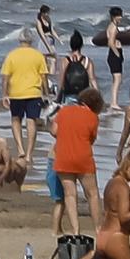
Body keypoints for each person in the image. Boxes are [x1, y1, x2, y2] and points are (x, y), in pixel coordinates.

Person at [52, 88, 105, 234]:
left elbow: (54, 131)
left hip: (63, 156)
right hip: (83, 157)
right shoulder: (93, 117)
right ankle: (98, 228)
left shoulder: (63, 111)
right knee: (92, 194)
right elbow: (91, 139)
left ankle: (76, 230)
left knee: (70, 194)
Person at [1, 29, 49, 169]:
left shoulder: (11, 55)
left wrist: (4, 94)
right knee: (31, 121)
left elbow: (5, 78)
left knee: (16, 120)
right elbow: (43, 77)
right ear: (32, 40)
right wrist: (46, 94)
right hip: (34, 92)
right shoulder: (38, 55)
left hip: (16, 92)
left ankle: (20, 149)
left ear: (19, 40)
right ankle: (29, 154)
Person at [56, 31, 97, 104]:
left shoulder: (65, 60)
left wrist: (58, 97)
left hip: (69, 94)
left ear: (71, 45)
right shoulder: (87, 61)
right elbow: (92, 80)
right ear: (81, 45)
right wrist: (97, 96)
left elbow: (61, 80)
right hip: (84, 95)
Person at [106, 6, 124, 110]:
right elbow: (110, 43)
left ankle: (114, 101)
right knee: (117, 79)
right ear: (113, 16)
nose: (120, 17)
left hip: (114, 54)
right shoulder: (113, 27)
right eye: (118, 15)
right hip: (114, 54)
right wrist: (118, 54)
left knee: (116, 79)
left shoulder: (112, 26)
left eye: (121, 15)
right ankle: (114, 102)